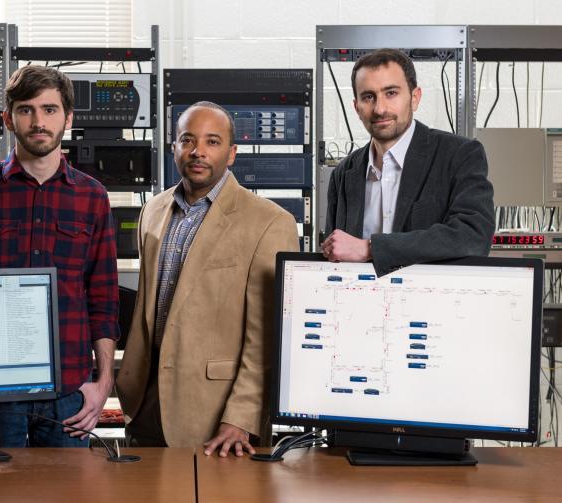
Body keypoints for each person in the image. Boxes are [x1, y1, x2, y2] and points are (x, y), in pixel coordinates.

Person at [0, 65, 119, 447]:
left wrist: (102, 386)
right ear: (8, 118)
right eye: (26, 109)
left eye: (50, 110)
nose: (39, 121)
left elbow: (103, 301)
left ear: (68, 118)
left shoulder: (92, 197)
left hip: (69, 394)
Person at [116, 101, 300, 457]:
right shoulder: (152, 211)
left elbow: (265, 338)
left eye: (212, 142)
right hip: (145, 403)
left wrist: (241, 417)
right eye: (188, 140)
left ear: (231, 154)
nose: (198, 151)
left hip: (217, 417)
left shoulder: (269, 223)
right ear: (174, 148)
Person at [322, 49, 494, 277]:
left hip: (433, 306)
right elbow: (336, 254)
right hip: (361, 306)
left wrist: (370, 248)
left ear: (415, 98)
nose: (380, 108)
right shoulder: (344, 174)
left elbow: (473, 236)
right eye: (368, 97)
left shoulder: (458, 155)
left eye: (391, 93)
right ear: (356, 107)